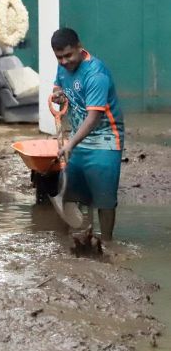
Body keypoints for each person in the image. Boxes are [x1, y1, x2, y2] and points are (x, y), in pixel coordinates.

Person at [50, 28, 124, 241]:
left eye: (68, 55)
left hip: (105, 139)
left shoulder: (96, 74)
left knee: (104, 196)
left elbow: (93, 118)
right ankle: (85, 236)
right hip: (78, 137)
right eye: (59, 57)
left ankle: (107, 242)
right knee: (77, 193)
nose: (64, 61)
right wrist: (58, 95)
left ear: (79, 47)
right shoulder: (63, 67)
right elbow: (59, 85)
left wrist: (70, 144)